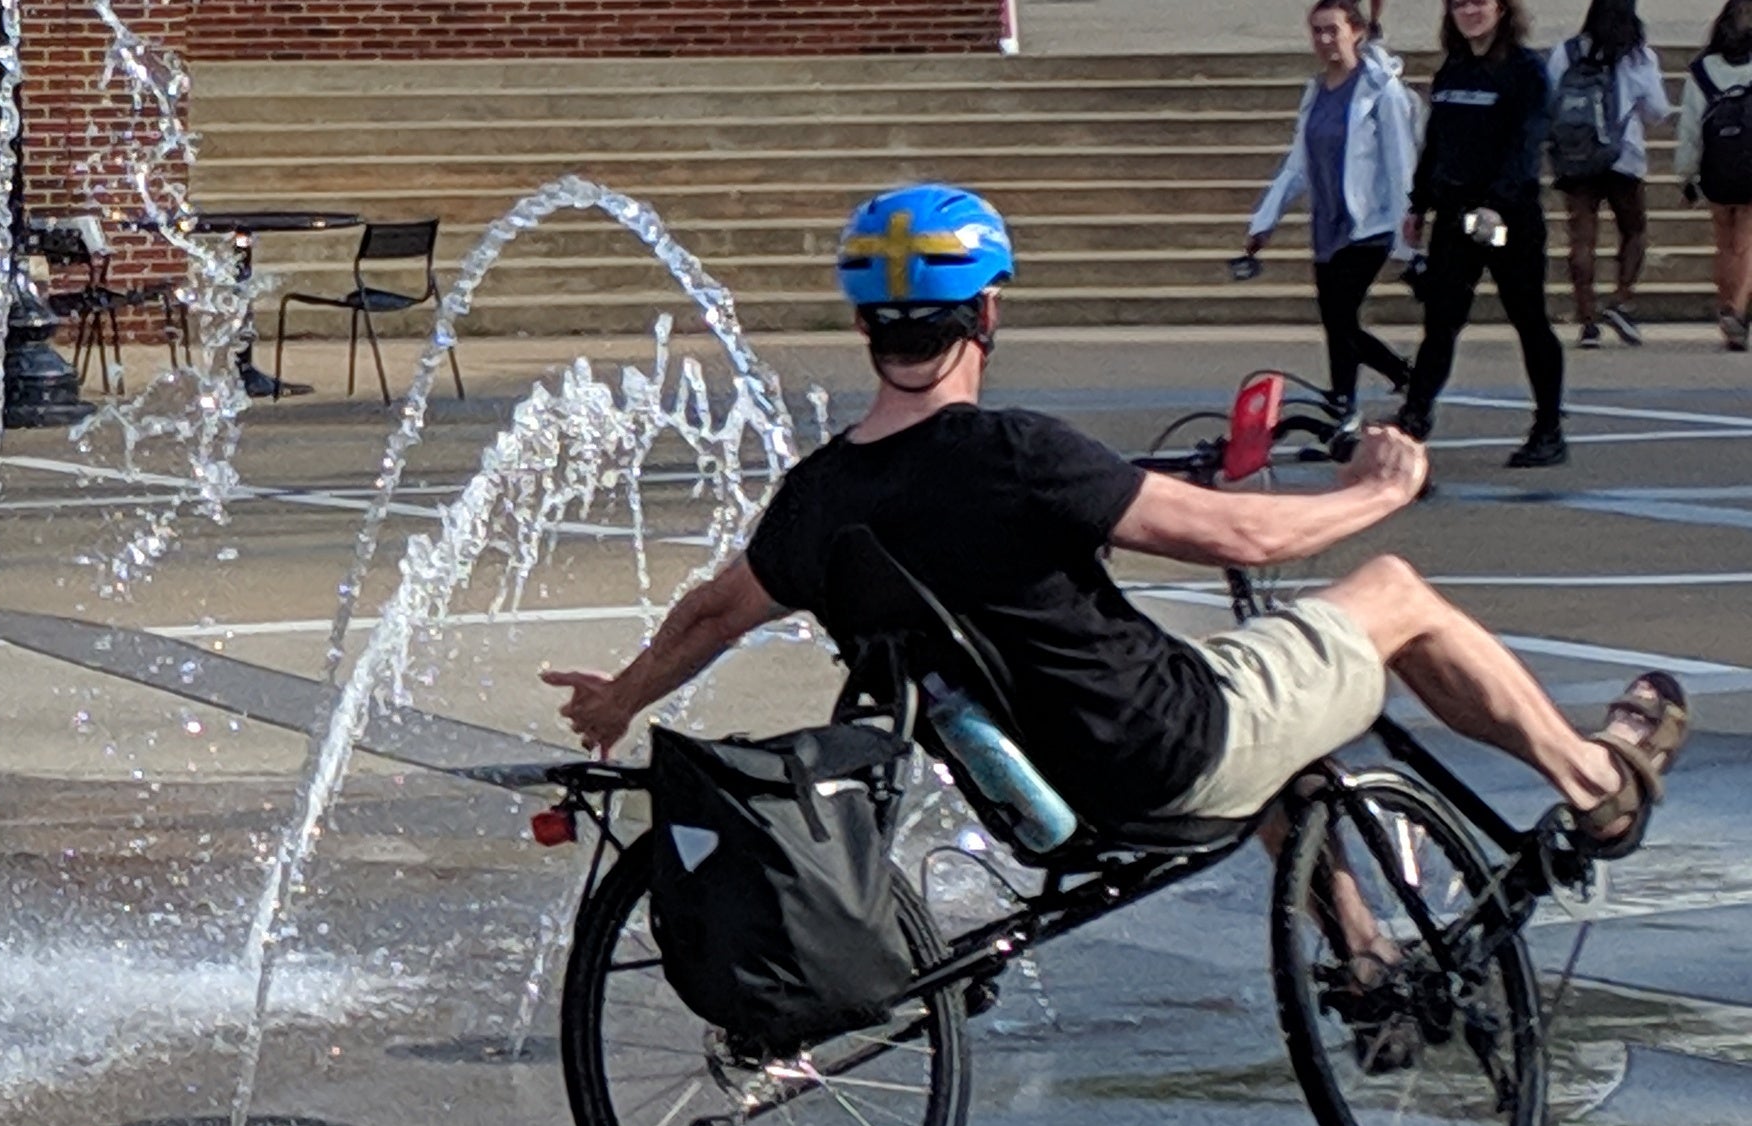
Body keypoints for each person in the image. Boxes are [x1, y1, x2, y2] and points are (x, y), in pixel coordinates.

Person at [543, 183, 1688, 865]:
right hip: (1168, 751)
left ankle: (1364, 955)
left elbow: (712, 612)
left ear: (868, 327)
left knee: (1268, 693)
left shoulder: (820, 493)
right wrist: (1380, 486)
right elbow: (1243, 539)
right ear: (986, 310)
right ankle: (1598, 787)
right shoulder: (1020, 454)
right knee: (1387, 590)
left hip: (1043, 795)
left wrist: (621, 700)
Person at [1398, 0, 1568, 467]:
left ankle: (1549, 427)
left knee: (1528, 317)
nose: (1470, 12)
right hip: (1455, 214)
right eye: (1460, 4)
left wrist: (1496, 202)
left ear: (1501, 7)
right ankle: (1414, 418)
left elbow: (1525, 143)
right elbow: (1437, 141)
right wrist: (1418, 202)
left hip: (1503, 218)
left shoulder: (1524, 70)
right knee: (1441, 320)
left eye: (1479, 3)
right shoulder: (1453, 69)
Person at [1237, 0, 1417, 421]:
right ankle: (1345, 397)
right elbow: (1297, 165)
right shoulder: (1315, 91)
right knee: (1337, 319)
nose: (1324, 39)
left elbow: (1400, 162)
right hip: (1327, 224)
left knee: (1340, 315)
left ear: (1356, 32)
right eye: (1317, 31)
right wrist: (1265, 220)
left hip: (1368, 224)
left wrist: (1407, 229)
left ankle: (1394, 374)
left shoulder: (1380, 91)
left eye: (1332, 29)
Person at [1544, 0, 1668, 350]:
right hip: (1624, 155)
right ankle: (1622, 298)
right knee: (1634, 230)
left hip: (1575, 157)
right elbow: (1658, 111)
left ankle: (1587, 320)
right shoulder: (1638, 56)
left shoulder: (1565, 51)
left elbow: (1550, 101)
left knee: (1582, 239)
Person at [1686, 0, 1752, 353]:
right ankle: (1737, 313)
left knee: (1724, 243)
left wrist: (1687, 173)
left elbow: (1690, 128)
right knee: (1747, 244)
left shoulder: (1702, 69)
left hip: (1716, 168)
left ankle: (1725, 304)